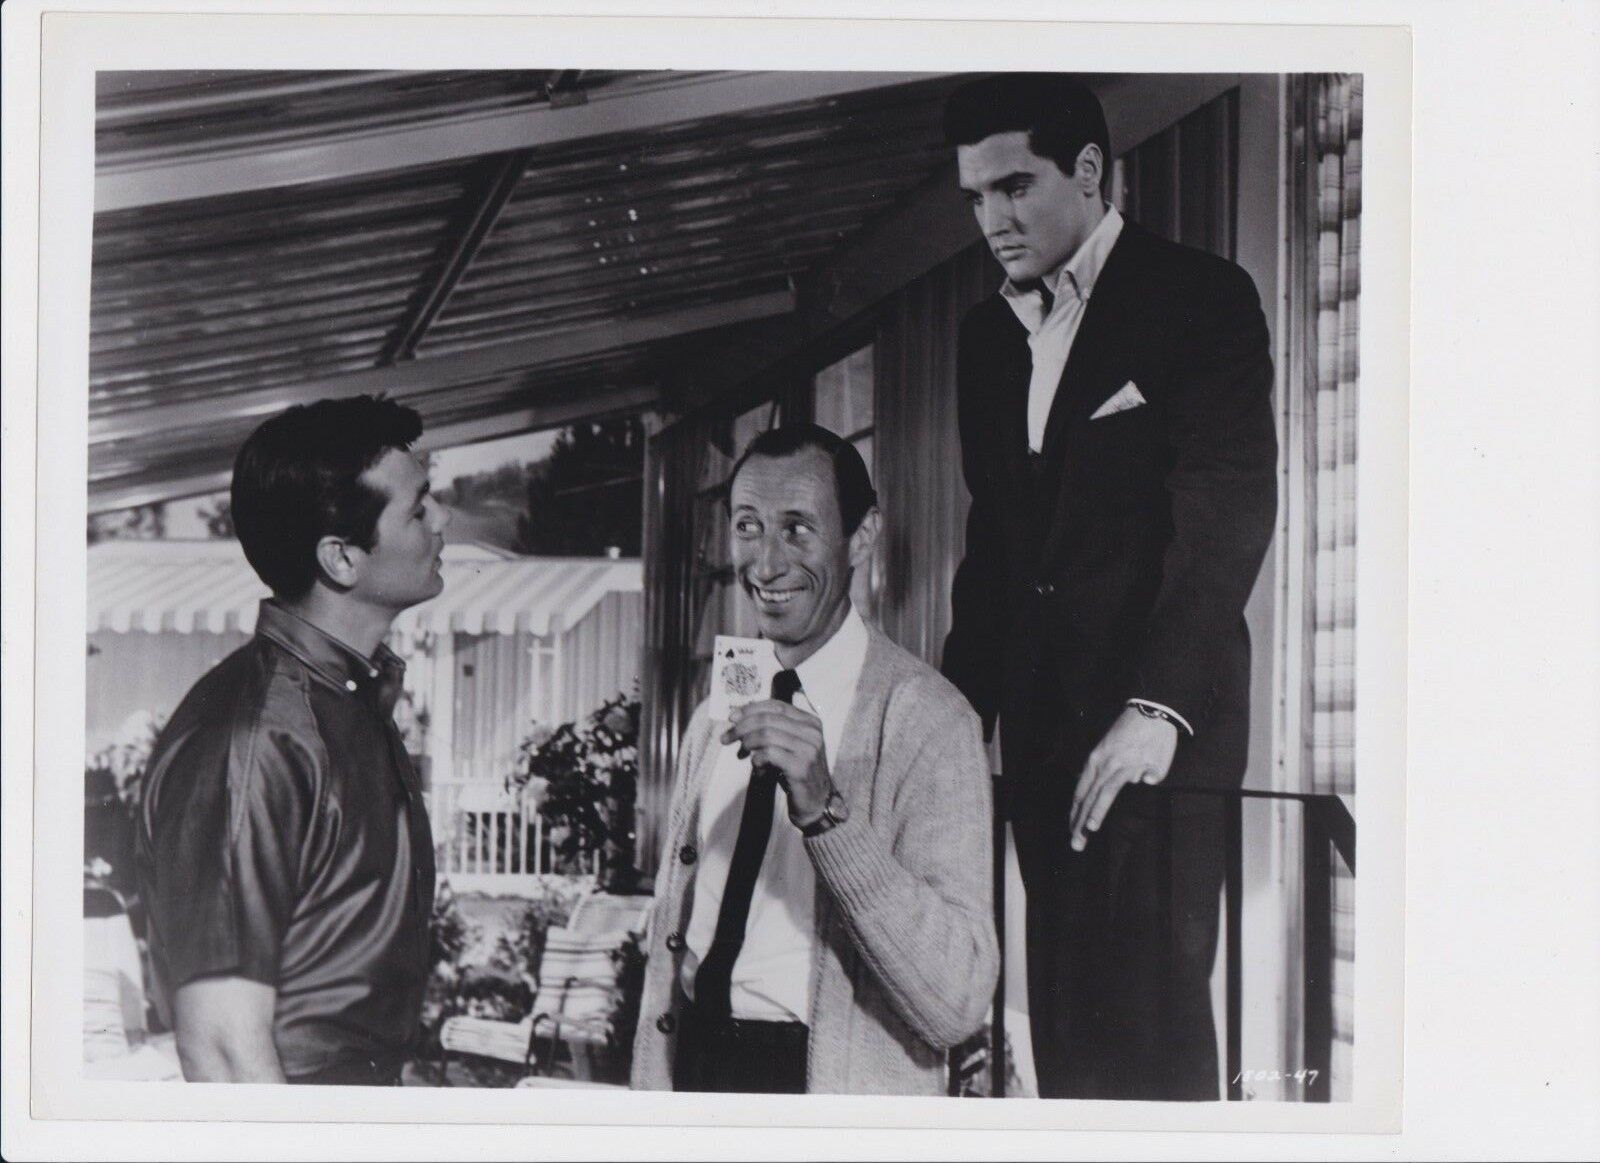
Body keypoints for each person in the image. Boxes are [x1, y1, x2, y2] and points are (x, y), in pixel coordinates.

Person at [940, 74, 1278, 1100]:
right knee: (1068, 1031)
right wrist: (953, 722)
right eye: (974, 197)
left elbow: (1224, 514)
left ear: (1087, 172)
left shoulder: (1199, 298)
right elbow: (995, 543)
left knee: (1156, 1026)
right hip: (1043, 740)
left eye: (1014, 187)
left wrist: (1156, 707)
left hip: (1156, 741)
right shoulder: (982, 336)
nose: (992, 219)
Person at [632, 424, 999, 1095]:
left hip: (818, 1085)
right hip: (693, 1071)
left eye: (797, 529)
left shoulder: (930, 720)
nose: (766, 564)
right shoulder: (715, 709)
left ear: (862, 535)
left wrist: (829, 816)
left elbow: (957, 999)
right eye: (748, 526)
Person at [135, 395, 450, 1085]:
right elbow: (219, 1046)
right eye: (419, 508)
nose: (443, 521)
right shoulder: (252, 739)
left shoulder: (347, 702)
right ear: (341, 557)